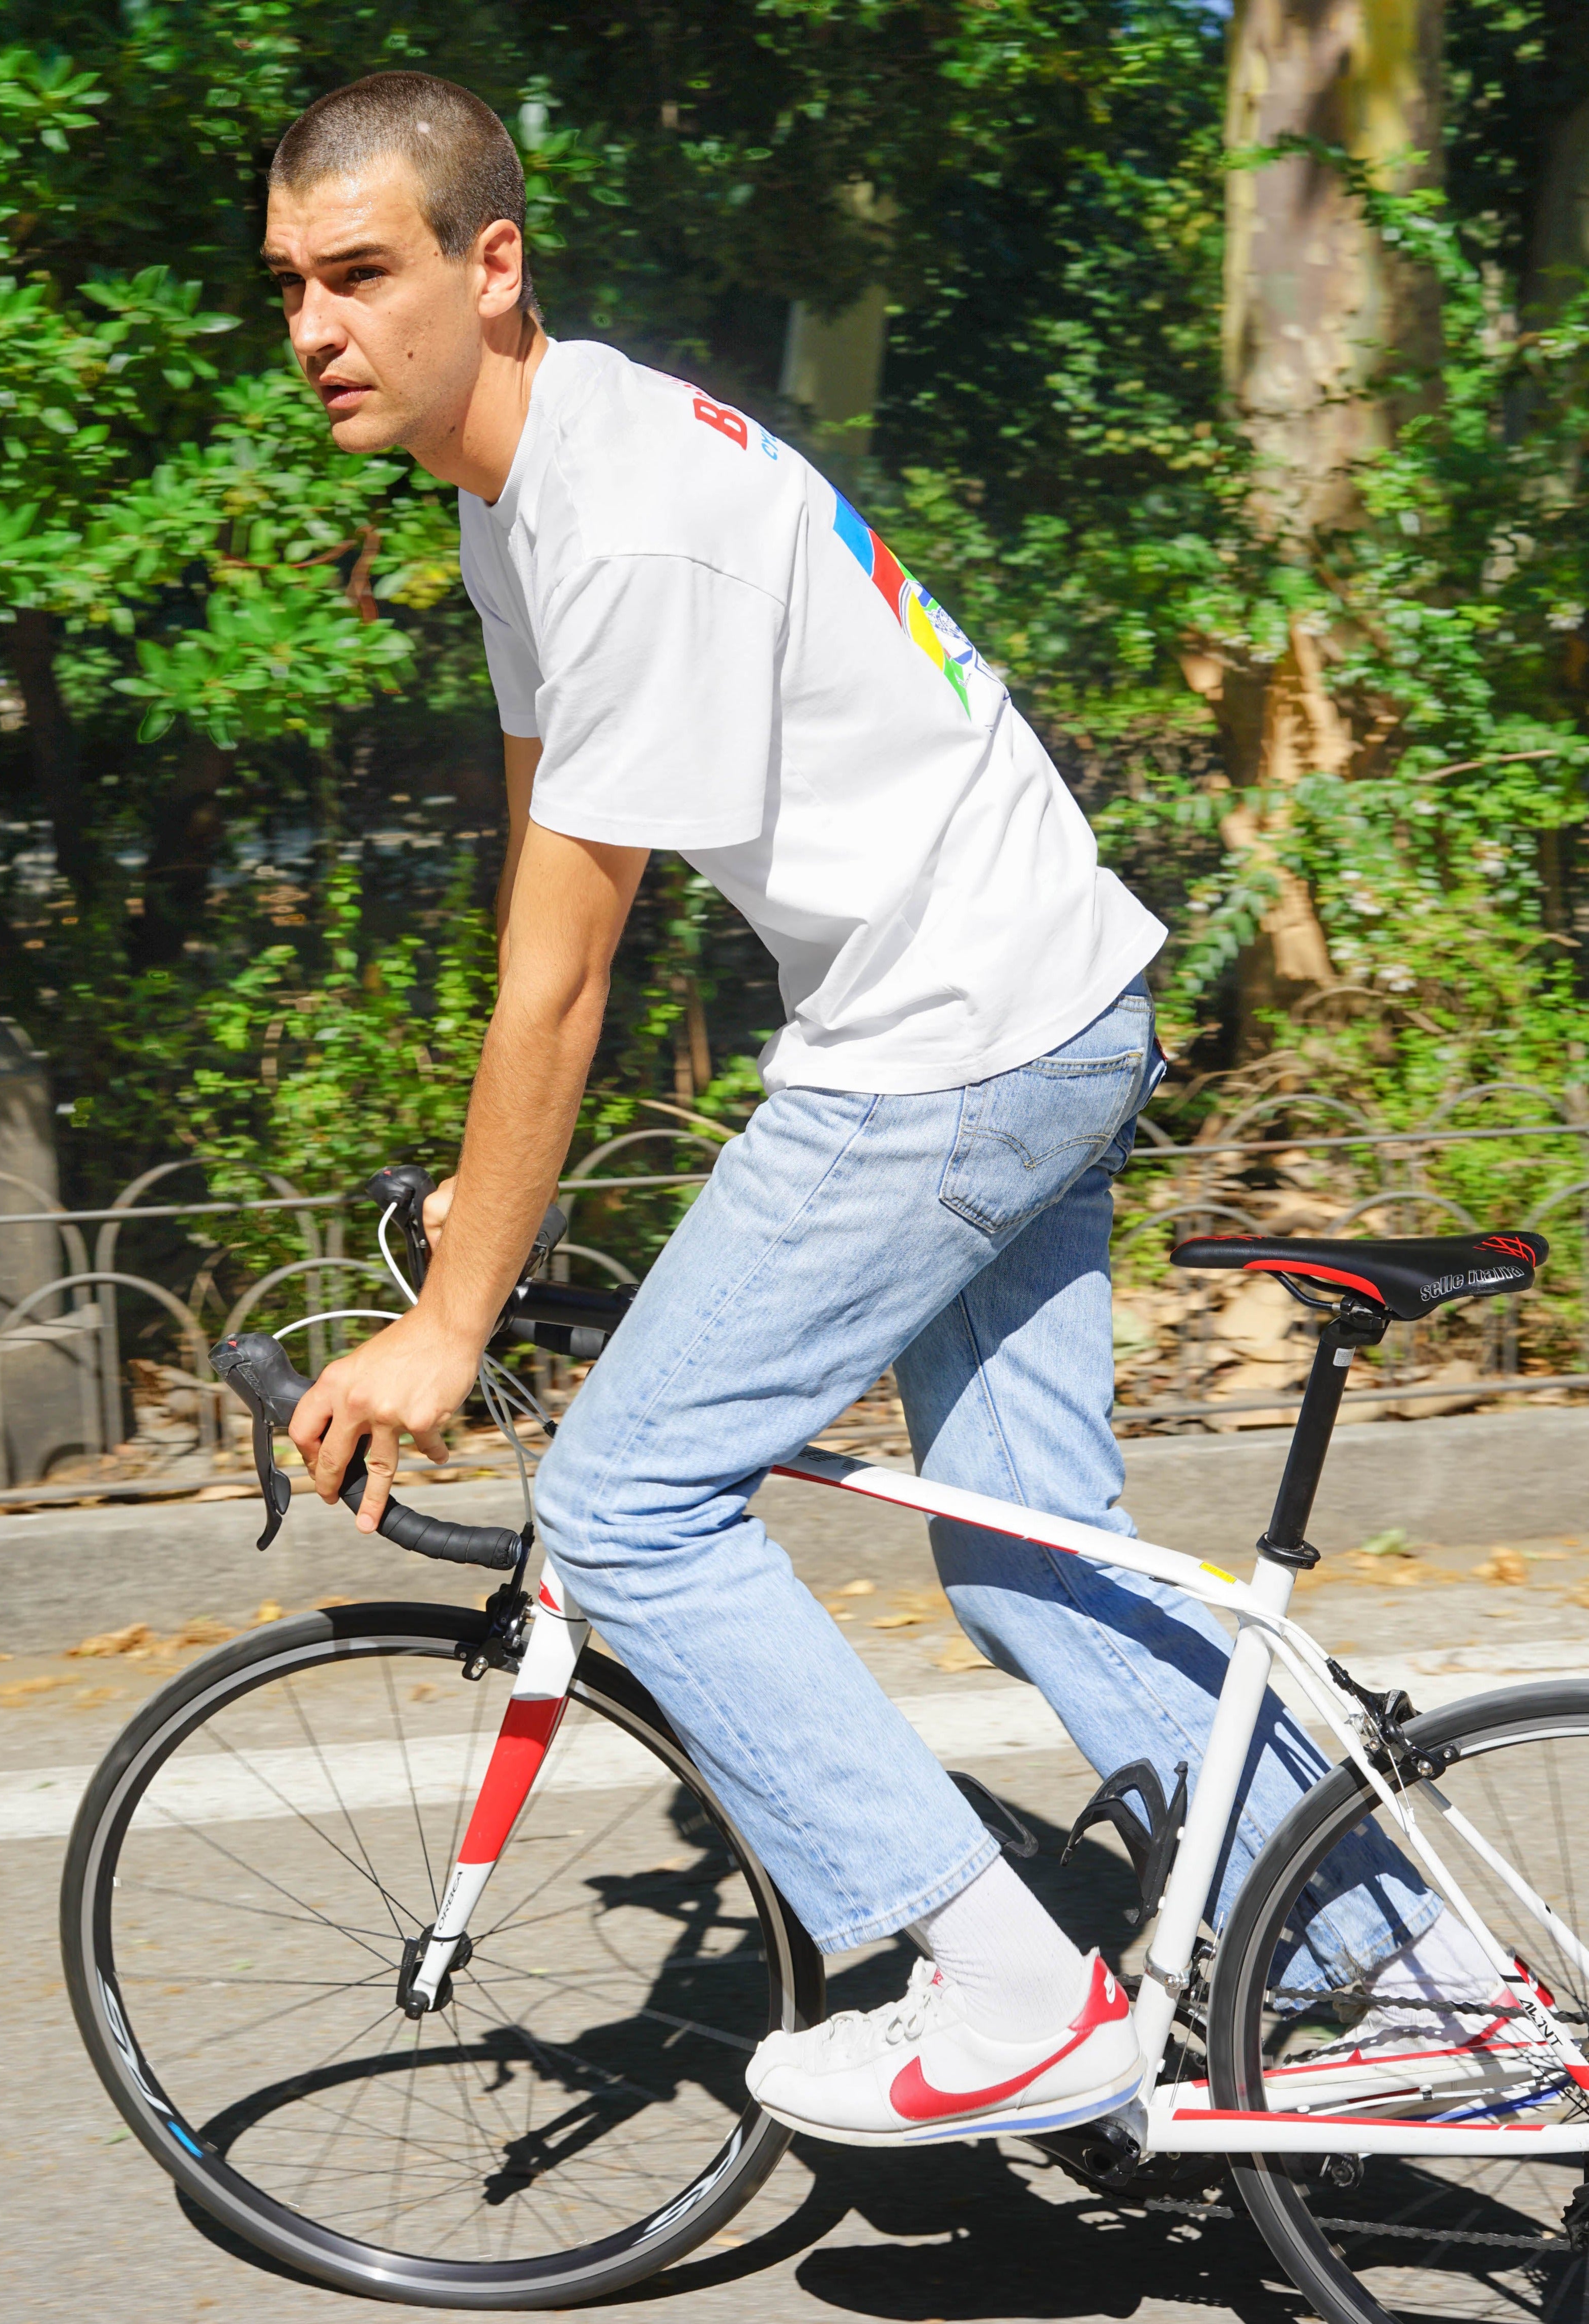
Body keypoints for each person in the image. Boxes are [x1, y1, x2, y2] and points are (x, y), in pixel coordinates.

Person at [272, 70, 1514, 2148]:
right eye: (293, 283)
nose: (316, 323)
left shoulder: (627, 513)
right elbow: (535, 908)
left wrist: (451, 1319)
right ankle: (1418, 1983)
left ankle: (1001, 1980)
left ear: (492, 269)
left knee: (630, 1503)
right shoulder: (522, 496)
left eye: (363, 272)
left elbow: (565, 980)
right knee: (1036, 1569)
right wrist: (482, 1222)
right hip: (1022, 996)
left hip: (948, 1037)